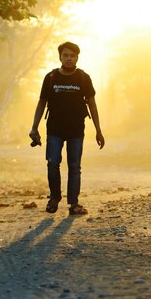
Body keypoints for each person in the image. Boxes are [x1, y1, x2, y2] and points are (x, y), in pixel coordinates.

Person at [29, 41, 105, 215]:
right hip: (54, 129)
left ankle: (74, 204)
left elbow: (92, 105)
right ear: (60, 57)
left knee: (74, 166)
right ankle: (54, 198)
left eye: (72, 55)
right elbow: (42, 103)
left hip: (76, 130)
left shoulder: (83, 78)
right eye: (66, 55)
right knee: (53, 163)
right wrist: (34, 127)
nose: (69, 58)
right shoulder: (51, 78)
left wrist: (98, 130)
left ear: (77, 57)